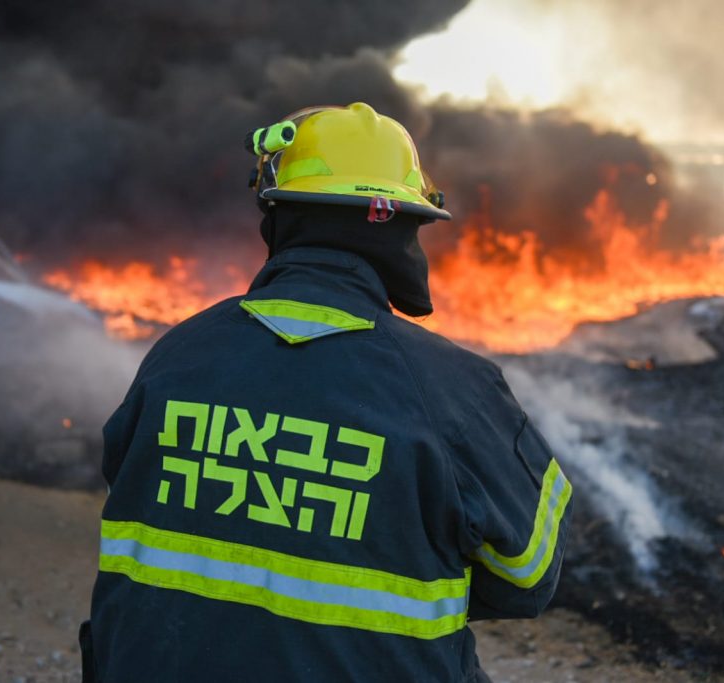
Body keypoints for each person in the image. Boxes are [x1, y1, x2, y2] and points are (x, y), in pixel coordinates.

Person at [81, 102, 573, 682]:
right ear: (404, 228)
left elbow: (132, 495)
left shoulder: (179, 352)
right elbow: (527, 577)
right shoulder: (453, 389)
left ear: (277, 216)